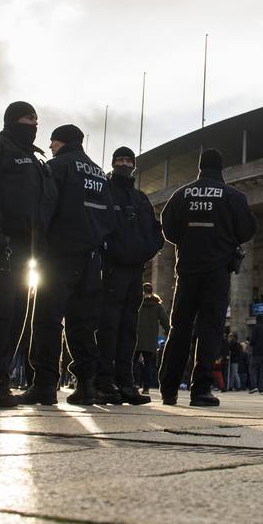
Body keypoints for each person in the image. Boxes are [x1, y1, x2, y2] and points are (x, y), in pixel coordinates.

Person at [20, 125, 117, 406]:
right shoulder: (99, 173)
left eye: (52, 141)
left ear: (61, 141)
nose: (50, 146)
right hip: (91, 258)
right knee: (83, 324)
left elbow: (44, 209)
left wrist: (37, 248)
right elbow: (109, 218)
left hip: (59, 255)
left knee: (47, 319)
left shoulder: (57, 167)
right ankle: (86, 385)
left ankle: (44, 384)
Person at [0, 101, 53, 408]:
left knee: (16, 315)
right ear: (12, 119)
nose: (34, 124)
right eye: (28, 118)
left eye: (36, 119)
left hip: (24, 248)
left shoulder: (37, 160)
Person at [156, 148, 258, 407]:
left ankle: (168, 390)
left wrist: (190, 240)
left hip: (187, 271)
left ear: (200, 167)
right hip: (217, 272)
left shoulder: (182, 195)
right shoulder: (233, 196)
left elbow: (168, 229)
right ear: (221, 168)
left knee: (179, 329)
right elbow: (247, 230)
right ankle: (200, 391)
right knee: (209, 330)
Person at [95, 146, 165, 405]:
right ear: (113, 163)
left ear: (134, 165)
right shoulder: (105, 191)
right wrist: (110, 250)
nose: (124, 164)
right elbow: (97, 225)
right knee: (108, 326)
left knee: (128, 329)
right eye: (120, 160)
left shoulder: (141, 199)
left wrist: (146, 250)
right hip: (111, 269)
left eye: (128, 160)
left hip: (135, 270)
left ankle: (126, 383)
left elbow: (156, 231)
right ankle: (104, 382)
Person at [135, 286, 169, 393]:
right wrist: (168, 332)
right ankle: (146, 388)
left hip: (135, 338)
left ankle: (134, 384)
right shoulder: (157, 306)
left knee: (133, 363)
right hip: (150, 340)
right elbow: (165, 321)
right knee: (148, 364)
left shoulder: (136, 302)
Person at [248, 315, 263, 393]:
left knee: (253, 368)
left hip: (257, 352)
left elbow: (253, 340)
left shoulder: (256, 327)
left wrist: (251, 344)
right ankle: (262, 388)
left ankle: (254, 386)